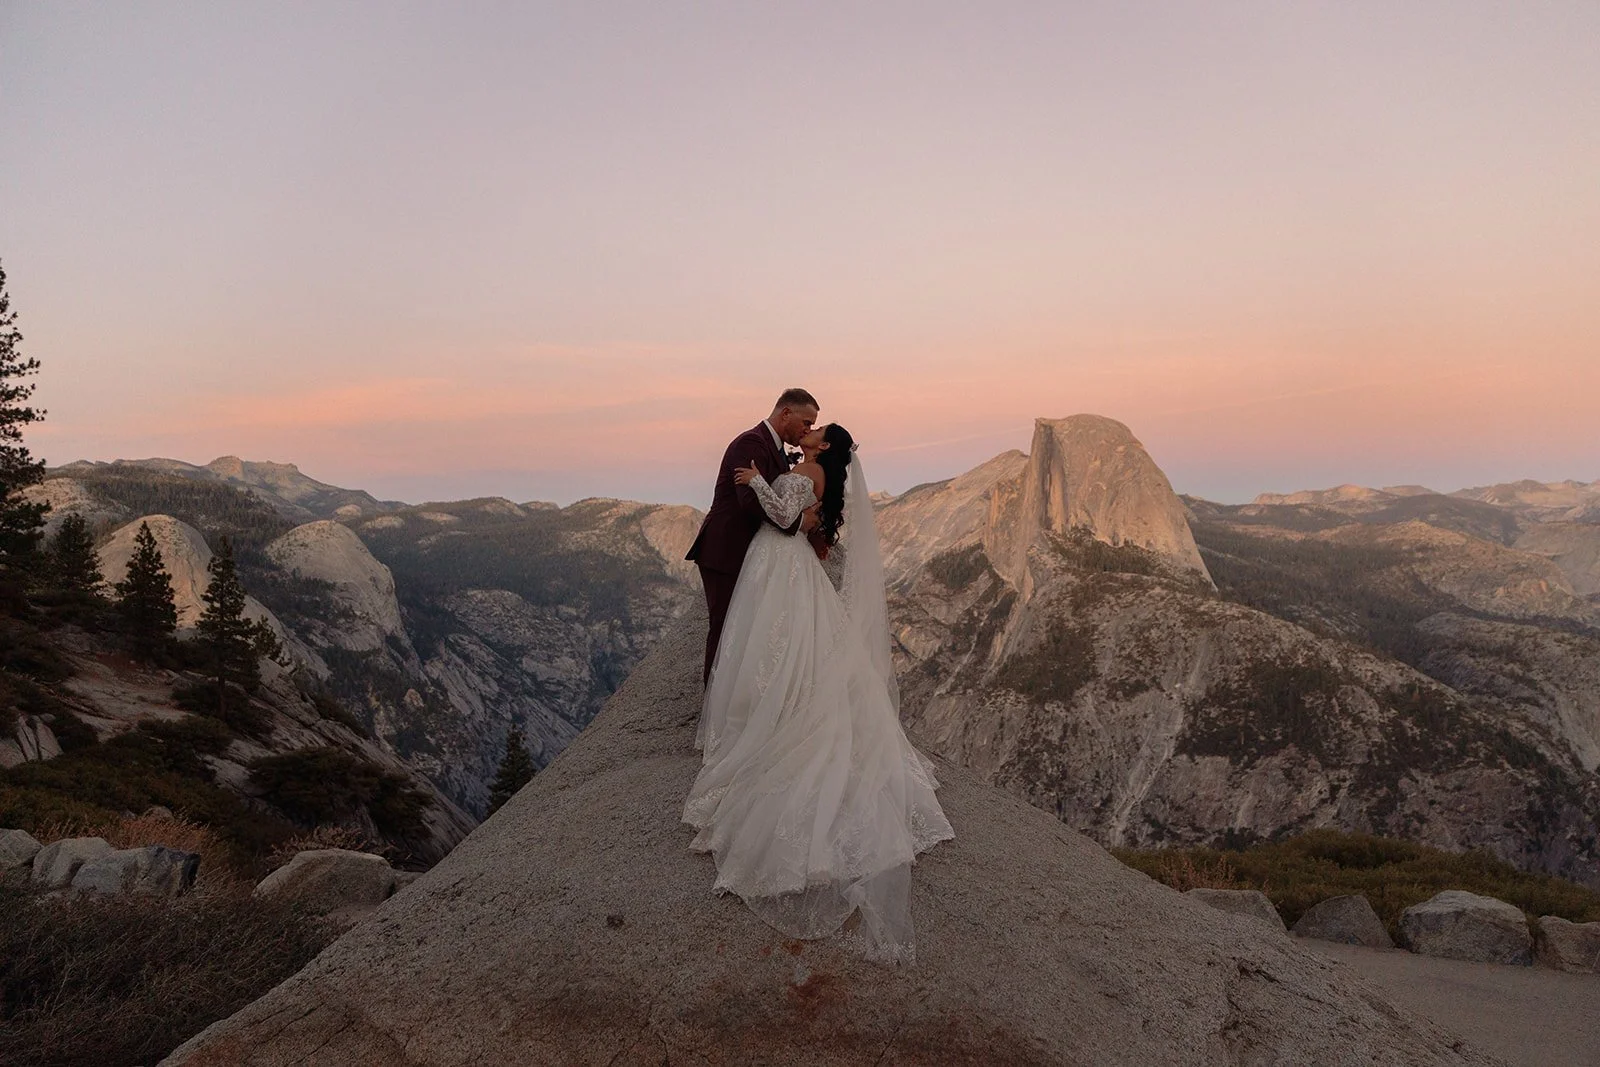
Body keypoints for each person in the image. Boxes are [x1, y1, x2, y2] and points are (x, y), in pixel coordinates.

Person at [682, 421, 954, 964]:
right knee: (791, 648)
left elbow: (783, 518)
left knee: (773, 648)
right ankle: (777, 705)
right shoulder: (811, 469)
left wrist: (758, 481)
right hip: (787, 566)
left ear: (823, 447)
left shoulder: (803, 470)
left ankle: (768, 717)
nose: (810, 429)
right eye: (808, 422)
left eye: (818, 428)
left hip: (777, 566)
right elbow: (803, 520)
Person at [685, 388, 820, 684]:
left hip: (749, 554)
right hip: (725, 552)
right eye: (806, 422)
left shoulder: (775, 451)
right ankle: (712, 709)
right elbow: (749, 500)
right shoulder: (751, 443)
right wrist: (798, 522)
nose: (807, 430)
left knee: (742, 630)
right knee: (724, 631)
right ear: (786, 413)